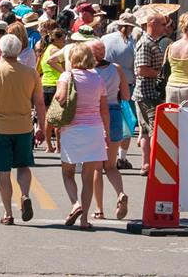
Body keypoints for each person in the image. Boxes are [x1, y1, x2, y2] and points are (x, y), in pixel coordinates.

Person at [0, 34, 46, 226]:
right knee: (23, 166)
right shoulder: (30, 73)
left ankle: (8, 212)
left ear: (1, 50)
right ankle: (24, 195)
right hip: (23, 126)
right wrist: (42, 127)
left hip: (0, 127)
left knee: (3, 172)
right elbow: (39, 102)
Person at [55, 44, 108, 229]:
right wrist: (106, 133)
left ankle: (74, 203)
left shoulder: (67, 76)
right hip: (94, 129)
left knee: (68, 172)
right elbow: (104, 109)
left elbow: (60, 98)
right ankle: (84, 219)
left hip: (72, 129)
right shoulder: (98, 79)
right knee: (88, 176)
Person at [89, 40, 129, 220]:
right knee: (111, 166)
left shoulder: (89, 72)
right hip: (114, 113)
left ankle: (99, 209)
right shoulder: (117, 68)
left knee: (97, 167)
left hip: (96, 114)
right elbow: (126, 96)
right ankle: (120, 193)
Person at [133, 11, 167, 176]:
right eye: (162, 24)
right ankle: (153, 165)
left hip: (147, 93)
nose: (165, 28)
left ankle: (147, 164)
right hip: (148, 94)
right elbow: (141, 70)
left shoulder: (150, 42)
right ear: (152, 23)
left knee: (145, 131)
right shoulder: (146, 43)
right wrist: (159, 73)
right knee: (153, 130)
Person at [102, 13, 137, 169]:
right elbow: (134, 65)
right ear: (128, 27)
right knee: (126, 123)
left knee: (102, 119)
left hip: (104, 82)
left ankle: (102, 154)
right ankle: (121, 157)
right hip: (125, 85)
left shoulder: (104, 39)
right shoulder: (131, 44)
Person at [39, 27, 67, 153]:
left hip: (45, 84)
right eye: (63, 39)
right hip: (56, 84)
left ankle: (49, 145)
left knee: (48, 117)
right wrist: (64, 71)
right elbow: (52, 63)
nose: (65, 42)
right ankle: (59, 147)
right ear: (58, 39)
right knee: (58, 118)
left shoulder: (46, 49)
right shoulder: (56, 50)